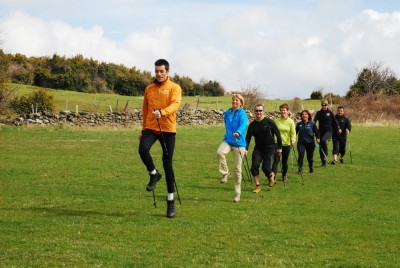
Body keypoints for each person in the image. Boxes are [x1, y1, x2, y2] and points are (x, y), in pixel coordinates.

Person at [138, 59, 181, 218]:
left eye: (161, 71)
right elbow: (145, 109)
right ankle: (154, 173)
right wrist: (143, 128)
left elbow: (175, 105)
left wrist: (162, 112)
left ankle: (170, 201)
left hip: (168, 129)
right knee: (142, 150)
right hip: (150, 126)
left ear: (167, 71)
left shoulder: (174, 87)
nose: (159, 74)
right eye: (156, 71)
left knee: (167, 163)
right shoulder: (149, 88)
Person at [217, 94, 248, 202]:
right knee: (220, 152)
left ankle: (237, 193)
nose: (234, 102)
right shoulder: (228, 113)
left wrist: (238, 132)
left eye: (237, 100)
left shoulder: (242, 114)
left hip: (239, 143)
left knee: (237, 169)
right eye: (233, 100)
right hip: (228, 140)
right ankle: (225, 172)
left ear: (241, 103)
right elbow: (226, 121)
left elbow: (244, 125)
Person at [245, 104, 282, 193]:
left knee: (266, 168)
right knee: (254, 167)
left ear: (263, 112)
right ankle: (257, 186)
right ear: (254, 112)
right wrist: (245, 149)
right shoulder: (252, 125)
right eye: (257, 111)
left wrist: (280, 148)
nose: (258, 112)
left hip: (270, 148)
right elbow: (248, 138)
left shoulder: (269, 122)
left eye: (260, 111)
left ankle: (271, 176)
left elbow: (278, 135)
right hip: (258, 149)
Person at [273, 103, 296, 182]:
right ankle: (273, 176)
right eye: (281, 110)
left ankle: (284, 174)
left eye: (284, 110)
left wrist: (293, 140)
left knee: (284, 161)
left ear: (288, 111)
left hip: (286, 143)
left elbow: (293, 133)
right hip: (277, 143)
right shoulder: (276, 121)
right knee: (276, 160)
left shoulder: (291, 122)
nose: (283, 112)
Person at [313, 99, 338, 167]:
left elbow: (335, 122)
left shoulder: (330, 113)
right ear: (321, 105)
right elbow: (314, 120)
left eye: (325, 105)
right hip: (320, 131)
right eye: (323, 105)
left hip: (329, 131)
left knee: (323, 140)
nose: (324, 106)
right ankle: (323, 162)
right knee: (321, 146)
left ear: (327, 105)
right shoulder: (318, 113)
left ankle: (326, 154)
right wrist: (312, 126)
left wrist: (338, 128)